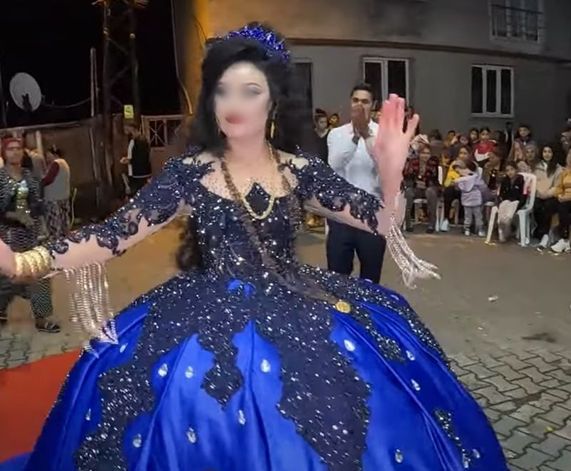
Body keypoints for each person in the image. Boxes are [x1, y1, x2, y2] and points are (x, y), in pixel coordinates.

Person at [0, 23, 507, 471]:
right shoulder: (188, 173)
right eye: (223, 91)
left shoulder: (299, 169)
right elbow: (113, 235)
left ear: (273, 102)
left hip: (296, 304)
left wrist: (391, 172)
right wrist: (26, 261)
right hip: (203, 316)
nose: (234, 104)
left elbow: (382, 222)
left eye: (249, 91)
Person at [327, 83, 386, 282]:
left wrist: (367, 135)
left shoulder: (384, 133)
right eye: (355, 100)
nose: (359, 105)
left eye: (365, 102)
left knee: (370, 280)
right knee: (337, 278)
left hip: (372, 215)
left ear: (373, 105)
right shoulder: (336, 134)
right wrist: (354, 137)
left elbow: (385, 167)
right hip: (341, 215)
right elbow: (335, 165)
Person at [0, 137, 59, 333]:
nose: (15, 152)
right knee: (7, 278)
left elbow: (39, 203)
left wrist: (33, 215)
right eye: (10, 149)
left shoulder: (29, 176)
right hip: (8, 236)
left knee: (39, 273)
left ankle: (42, 318)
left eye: (18, 148)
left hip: (31, 234)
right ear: (4, 153)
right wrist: (14, 215)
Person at [403, 143, 440, 233]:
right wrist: (415, 182)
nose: (425, 155)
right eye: (423, 153)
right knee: (408, 192)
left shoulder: (433, 163)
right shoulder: (413, 162)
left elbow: (434, 179)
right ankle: (408, 223)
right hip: (416, 188)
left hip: (429, 187)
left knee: (430, 192)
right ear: (419, 154)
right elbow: (407, 176)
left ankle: (431, 224)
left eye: (428, 153)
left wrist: (425, 183)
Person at [533, 144, 562, 249]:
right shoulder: (537, 167)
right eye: (545, 152)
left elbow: (557, 186)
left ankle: (545, 235)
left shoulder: (558, 168)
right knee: (536, 206)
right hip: (538, 195)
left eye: (549, 152)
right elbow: (534, 183)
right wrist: (539, 193)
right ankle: (541, 231)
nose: (547, 154)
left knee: (548, 206)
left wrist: (547, 194)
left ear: (553, 154)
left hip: (552, 196)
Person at [42, 145, 71, 239]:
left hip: (53, 198)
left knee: (54, 224)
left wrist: (37, 183)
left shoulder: (56, 163)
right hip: (63, 197)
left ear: (54, 154)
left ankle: (56, 242)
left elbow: (48, 179)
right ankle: (65, 240)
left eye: (48, 154)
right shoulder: (64, 163)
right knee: (64, 223)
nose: (46, 157)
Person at [440, 145, 471, 232]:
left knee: (468, 194)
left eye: (465, 153)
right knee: (448, 191)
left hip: (466, 189)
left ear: (469, 155)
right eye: (461, 153)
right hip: (454, 187)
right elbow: (448, 180)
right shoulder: (453, 164)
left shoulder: (472, 165)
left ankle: (465, 222)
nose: (462, 155)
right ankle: (446, 220)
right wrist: (454, 182)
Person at [455, 160, 486, 237]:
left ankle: (479, 229)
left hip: (475, 199)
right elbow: (460, 188)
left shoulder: (475, 178)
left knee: (478, 215)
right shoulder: (461, 179)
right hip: (467, 199)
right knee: (468, 215)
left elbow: (482, 186)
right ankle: (467, 228)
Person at [497, 161, 526, 242]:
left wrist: (520, 203)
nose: (510, 172)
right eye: (507, 170)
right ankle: (501, 226)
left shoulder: (521, 180)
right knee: (503, 204)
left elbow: (523, 194)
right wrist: (502, 199)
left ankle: (508, 221)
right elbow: (501, 193)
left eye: (512, 169)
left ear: (516, 169)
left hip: (516, 201)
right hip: (507, 200)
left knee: (513, 205)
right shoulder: (505, 181)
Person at [120, 124, 152, 195]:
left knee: (139, 193)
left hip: (140, 173)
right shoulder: (135, 140)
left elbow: (141, 158)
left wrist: (129, 161)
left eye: (127, 129)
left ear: (132, 129)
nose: (125, 131)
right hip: (137, 172)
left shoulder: (140, 141)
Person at [551, 148, 571, 253]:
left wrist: (567, 198)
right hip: (564, 199)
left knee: (563, 208)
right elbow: (559, 187)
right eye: (569, 154)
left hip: (569, 199)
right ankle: (548, 236)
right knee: (550, 205)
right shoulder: (565, 172)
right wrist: (559, 195)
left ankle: (565, 239)